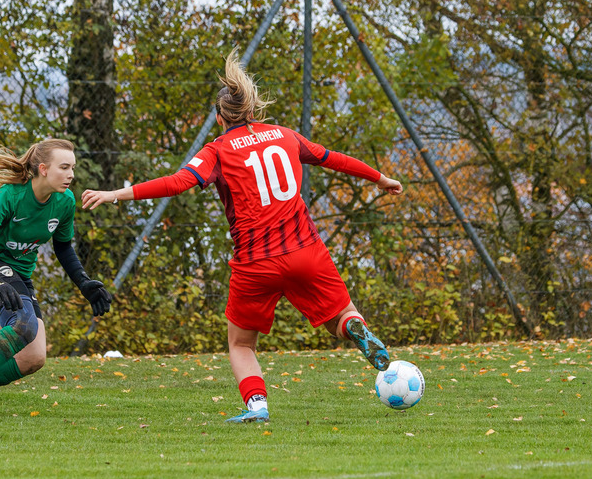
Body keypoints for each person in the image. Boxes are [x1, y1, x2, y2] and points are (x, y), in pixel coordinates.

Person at [81, 50, 403, 424]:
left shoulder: (217, 149)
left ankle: (258, 406)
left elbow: (177, 183)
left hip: (256, 263)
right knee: (341, 315)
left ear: (220, 117)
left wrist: (114, 194)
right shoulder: (286, 136)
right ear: (252, 110)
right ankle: (353, 326)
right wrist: (380, 178)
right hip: (306, 251)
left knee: (241, 343)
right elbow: (334, 158)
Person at [0, 139, 112, 418]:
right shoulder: (10, 195)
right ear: (42, 168)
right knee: (23, 324)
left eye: (72, 167)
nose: (71, 174)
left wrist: (84, 282)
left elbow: (63, 247)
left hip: (18, 275)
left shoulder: (65, 202)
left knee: (34, 357)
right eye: (64, 167)